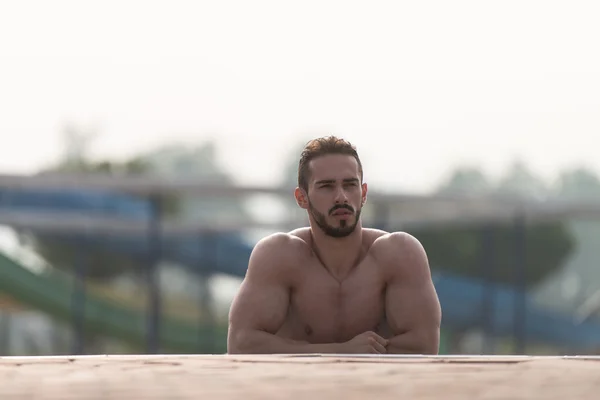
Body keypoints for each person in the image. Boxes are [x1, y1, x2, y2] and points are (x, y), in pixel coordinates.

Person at [227, 136, 442, 354]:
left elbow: (424, 345)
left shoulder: (399, 254)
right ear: (302, 198)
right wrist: (343, 351)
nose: (341, 197)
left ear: (364, 193)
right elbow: (241, 342)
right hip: (297, 386)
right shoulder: (279, 256)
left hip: (377, 386)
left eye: (350, 185)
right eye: (326, 186)